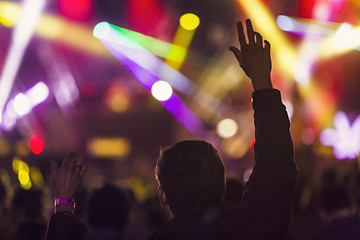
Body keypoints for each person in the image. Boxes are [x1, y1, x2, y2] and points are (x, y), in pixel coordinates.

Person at [45, 19, 297, 240]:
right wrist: (262, 82)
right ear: (222, 188)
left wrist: (64, 205)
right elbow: (276, 164)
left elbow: (275, 167)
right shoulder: (255, 230)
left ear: (162, 195)